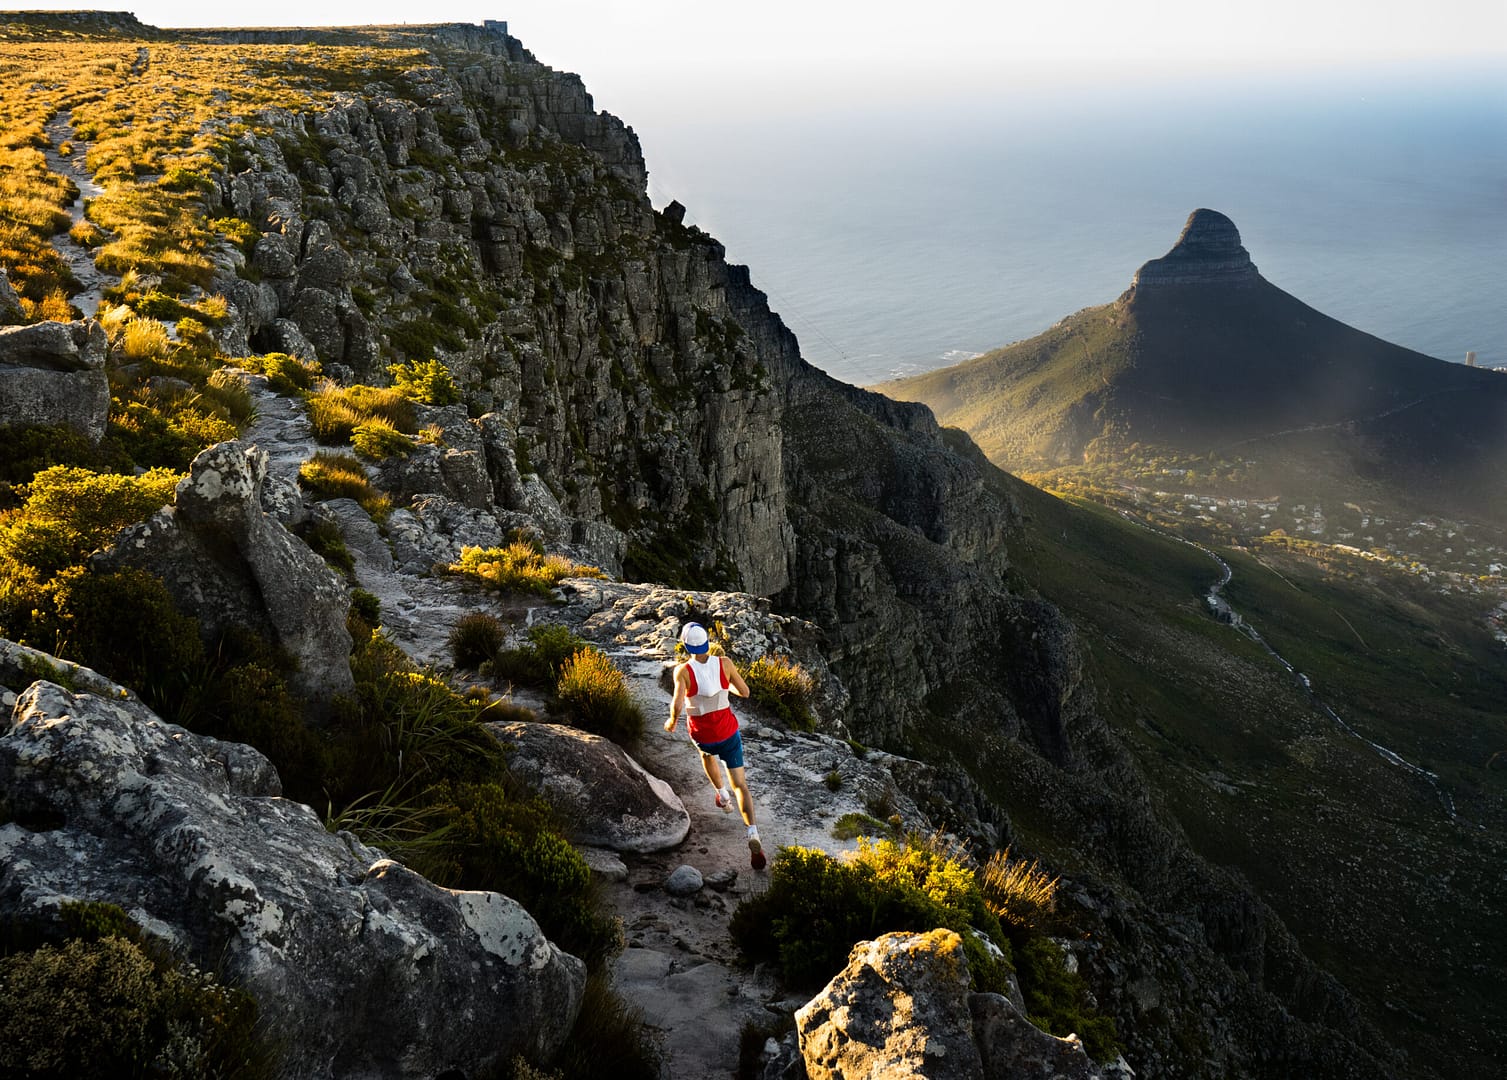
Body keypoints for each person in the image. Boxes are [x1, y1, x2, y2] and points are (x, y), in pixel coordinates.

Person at [664, 622, 766, 870]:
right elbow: (745, 692)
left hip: (704, 735)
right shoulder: (725, 663)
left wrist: (672, 720)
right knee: (741, 785)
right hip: (728, 732)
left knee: (706, 754)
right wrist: (725, 686)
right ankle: (752, 832)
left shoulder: (683, 671)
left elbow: (678, 702)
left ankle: (721, 794)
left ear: (686, 645)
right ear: (707, 643)